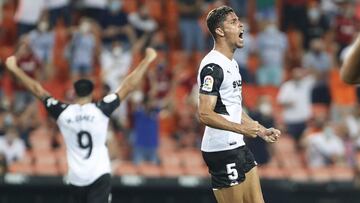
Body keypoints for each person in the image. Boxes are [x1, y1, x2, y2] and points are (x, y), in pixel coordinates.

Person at [5, 47, 157, 203]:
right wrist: (147, 60)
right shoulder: (101, 109)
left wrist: (15, 69)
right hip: (99, 174)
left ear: (75, 93)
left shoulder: (63, 112)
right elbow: (128, 86)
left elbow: (37, 89)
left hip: (77, 177)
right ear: (91, 94)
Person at [197, 6, 281, 203]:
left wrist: (260, 130)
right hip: (221, 149)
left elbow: (233, 107)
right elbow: (204, 114)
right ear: (220, 30)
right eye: (233, 22)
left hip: (237, 145)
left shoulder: (232, 64)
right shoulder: (213, 66)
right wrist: (242, 129)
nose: (241, 24)